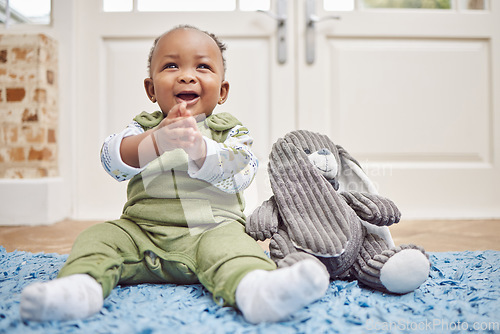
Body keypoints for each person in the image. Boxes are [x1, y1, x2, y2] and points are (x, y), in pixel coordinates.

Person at [19, 25, 329, 324]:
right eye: (171, 65)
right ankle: (79, 289)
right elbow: (112, 160)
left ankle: (257, 291)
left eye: (203, 67)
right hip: (142, 233)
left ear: (222, 91)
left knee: (236, 248)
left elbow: (242, 172)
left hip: (211, 231)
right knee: (97, 237)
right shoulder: (144, 128)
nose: (186, 75)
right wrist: (156, 141)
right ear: (151, 89)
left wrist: (199, 149)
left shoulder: (230, 131)